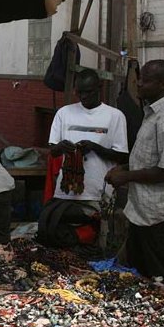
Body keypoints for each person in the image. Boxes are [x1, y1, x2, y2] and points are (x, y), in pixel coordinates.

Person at [105, 60, 164, 301]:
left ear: (163, 84)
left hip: (160, 215)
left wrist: (125, 176)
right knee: (142, 274)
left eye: (144, 80)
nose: (138, 84)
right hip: (142, 212)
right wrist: (123, 167)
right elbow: (149, 160)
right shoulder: (152, 115)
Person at [48, 69, 129, 218]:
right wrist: (61, 147)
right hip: (66, 192)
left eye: (88, 92)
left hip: (100, 193)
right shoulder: (64, 113)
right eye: (79, 92)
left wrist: (95, 148)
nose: (84, 96)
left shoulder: (115, 116)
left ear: (99, 88)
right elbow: (53, 151)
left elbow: (122, 157)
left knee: (98, 236)